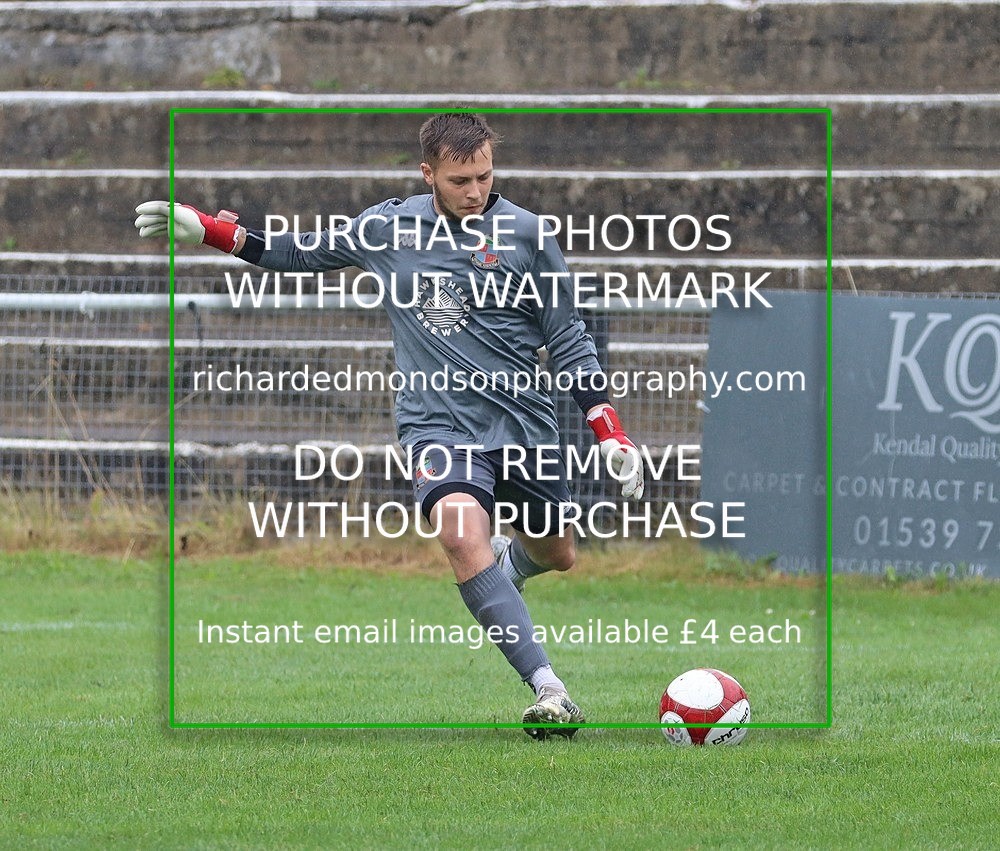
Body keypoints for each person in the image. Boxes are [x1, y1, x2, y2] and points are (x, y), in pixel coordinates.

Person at [135, 113, 644, 740]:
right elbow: (301, 253)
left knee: (557, 554)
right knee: (458, 531)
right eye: (459, 180)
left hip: (522, 426)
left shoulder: (528, 236)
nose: (475, 192)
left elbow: (568, 338)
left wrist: (608, 429)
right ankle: (549, 689)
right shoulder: (388, 228)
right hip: (436, 426)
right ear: (427, 174)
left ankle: (503, 573)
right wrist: (213, 232)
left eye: (485, 177)